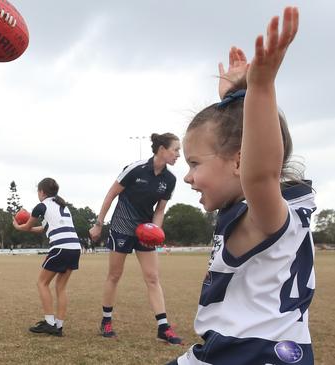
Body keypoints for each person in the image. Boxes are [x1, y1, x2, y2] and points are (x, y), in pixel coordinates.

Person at [170, 7, 315, 364]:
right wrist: (235, 99)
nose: (187, 177)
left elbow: (260, 173)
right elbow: (250, 162)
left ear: (239, 161)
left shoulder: (263, 215)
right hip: (228, 347)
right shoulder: (261, 210)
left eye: (194, 164)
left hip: (254, 354)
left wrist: (261, 88)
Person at [89, 132, 182, 344]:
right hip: (121, 227)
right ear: (162, 150)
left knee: (152, 277)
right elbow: (111, 194)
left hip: (144, 231)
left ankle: (163, 328)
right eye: (176, 150)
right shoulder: (135, 169)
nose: (178, 155)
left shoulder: (170, 179)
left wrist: (155, 231)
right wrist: (98, 224)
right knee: (114, 275)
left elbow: (160, 210)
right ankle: (106, 321)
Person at [13, 178, 81, 337]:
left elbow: (28, 226)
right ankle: (58, 326)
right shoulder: (62, 205)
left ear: (42, 192)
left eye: (38, 191)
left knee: (42, 283)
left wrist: (18, 226)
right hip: (74, 248)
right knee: (61, 287)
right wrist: (27, 228)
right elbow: (43, 228)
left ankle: (50, 323)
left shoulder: (41, 206)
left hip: (60, 248)